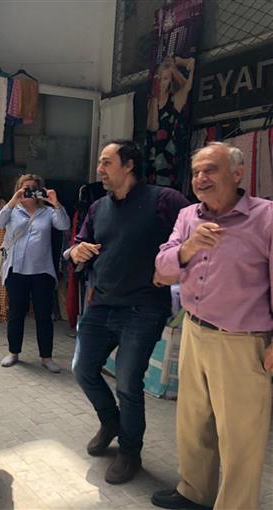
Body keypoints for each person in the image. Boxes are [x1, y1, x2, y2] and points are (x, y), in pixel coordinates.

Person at [151, 142, 273, 510]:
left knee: (240, 436)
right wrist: (187, 249)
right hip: (194, 329)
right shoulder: (188, 216)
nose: (201, 178)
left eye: (211, 170)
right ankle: (195, 492)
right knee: (192, 422)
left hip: (241, 341)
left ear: (237, 174)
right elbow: (162, 269)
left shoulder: (266, 218)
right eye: (196, 172)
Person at [68, 140, 189, 484]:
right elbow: (79, 244)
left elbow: (192, 236)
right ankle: (111, 422)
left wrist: (176, 272)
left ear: (129, 165)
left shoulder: (165, 200)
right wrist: (75, 252)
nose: (99, 170)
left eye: (107, 162)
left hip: (143, 308)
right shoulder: (98, 207)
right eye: (100, 163)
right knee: (83, 369)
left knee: (128, 383)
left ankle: (130, 452)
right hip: (101, 304)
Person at [0, 173, 71, 372]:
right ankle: (13, 352)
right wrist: (13, 200)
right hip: (16, 270)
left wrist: (56, 203)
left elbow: (64, 225)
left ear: (40, 190)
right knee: (16, 314)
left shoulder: (48, 212)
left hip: (42, 271)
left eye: (33, 188)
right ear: (18, 189)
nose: (29, 191)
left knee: (44, 315)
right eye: (25, 187)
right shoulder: (12, 210)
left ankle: (46, 357)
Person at [146, 56, 195, 188]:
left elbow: (188, 85)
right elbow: (152, 126)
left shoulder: (175, 99)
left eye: (166, 78)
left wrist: (178, 65)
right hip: (151, 155)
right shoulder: (151, 102)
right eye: (160, 78)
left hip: (169, 155)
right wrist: (155, 97)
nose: (162, 82)